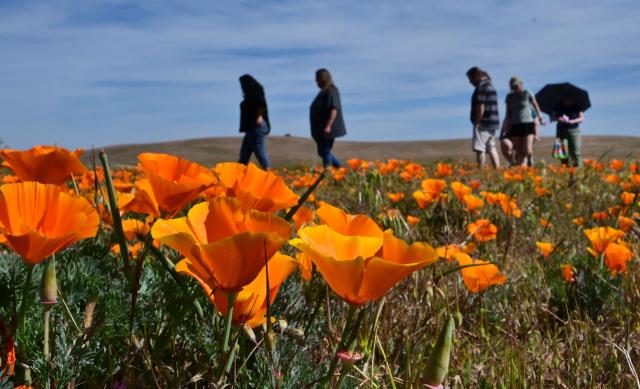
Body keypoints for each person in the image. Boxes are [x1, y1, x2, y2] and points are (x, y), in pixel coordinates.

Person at [502, 76, 545, 166]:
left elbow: (536, 106)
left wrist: (540, 117)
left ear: (521, 84)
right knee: (518, 150)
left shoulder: (527, 92)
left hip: (528, 124)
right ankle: (522, 169)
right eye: (512, 86)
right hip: (515, 125)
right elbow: (508, 113)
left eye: (516, 86)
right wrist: (505, 125)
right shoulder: (509, 97)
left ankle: (530, 158)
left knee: (527, 149)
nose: (514, 88)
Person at [310, 69, 346, 168]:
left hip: (327, 128)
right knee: (323, 152)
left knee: (325, 151)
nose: (315, 80)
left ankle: (328, 173)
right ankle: (340, 168)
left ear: (323, 78)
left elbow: (334, 109)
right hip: (321, 129)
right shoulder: (323, 91)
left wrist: (328, 126)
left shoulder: (331, 90)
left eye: (317, 78)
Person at [466, 67, 500, 168]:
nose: (470, 82)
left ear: (476, 75)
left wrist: (477, 122)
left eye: (471, 79)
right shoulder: (491, 86)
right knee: (491, 147)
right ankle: (497, 169)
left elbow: (481, 107)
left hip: (483, 122)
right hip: (493, 123)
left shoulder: (481, 87)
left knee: (480, 148)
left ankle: (480, 170)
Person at [238, 74, 271, 169]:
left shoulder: (254, 94)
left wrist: (258, 116)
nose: (241, 86)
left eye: (242, 83)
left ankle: (269, 174)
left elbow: (262, 104)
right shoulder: (249, 95)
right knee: (244, 153)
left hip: (256, 127)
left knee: (259, 150)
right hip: (251, 128)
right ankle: (238, 174)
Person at [552, 95, 584, 167]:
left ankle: (578, 170)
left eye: (569, 98)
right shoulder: (558, 106)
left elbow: (582, 118)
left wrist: (573, 121)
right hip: (561, 131)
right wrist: (558, 118)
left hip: (574, 131)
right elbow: (552, 117)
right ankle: (565, 171)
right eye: (566, 98)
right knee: (563, 154)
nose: (568, 100)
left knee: (576, 152)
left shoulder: (577, 106)